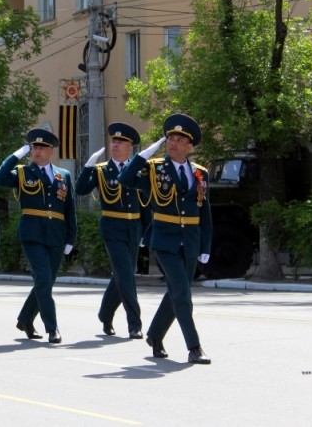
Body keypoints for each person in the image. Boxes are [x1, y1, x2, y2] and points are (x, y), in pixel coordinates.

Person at [117, 113, 212, 364]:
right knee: (182, 292)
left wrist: (206, 245)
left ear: (189, 146)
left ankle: (155, 335)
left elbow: (205, 212)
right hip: (165, 240)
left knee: (176, 292)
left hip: (190, 240)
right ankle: (194, 347)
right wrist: (142, 156)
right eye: (170, 138)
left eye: (180, 139)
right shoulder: (153, 168)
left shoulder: (200, 173)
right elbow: (124, 179)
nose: (173, 143)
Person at [0, 128, 77, 344]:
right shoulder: (23, 173)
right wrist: (15, 156)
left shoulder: (63, 175)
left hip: (56, 235)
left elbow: (69, 210)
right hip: (32, 233)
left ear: (51, 151)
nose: (37, 151)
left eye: (42, 147)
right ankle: (52, 328)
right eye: (34, 147)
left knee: (46, 282)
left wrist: (70, 238)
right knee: (43, 279)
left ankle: (25, 319)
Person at [75, 122, 146, 339]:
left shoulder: (140, 169)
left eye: (121, 142)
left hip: (133, 226)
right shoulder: (102, 170)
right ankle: (134, 323)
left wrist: (147, 230)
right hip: (112, 227)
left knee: (124, 274)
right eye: (114, 141)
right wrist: (87, 166)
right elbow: (80, 190)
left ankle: (105, 314)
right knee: (125, 274)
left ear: (130, 147)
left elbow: (148, 201)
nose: (115, 144)